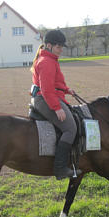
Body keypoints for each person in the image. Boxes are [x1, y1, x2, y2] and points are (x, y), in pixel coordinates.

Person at [30, 30, 80, 180]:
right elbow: (46, 89)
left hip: (50, 96)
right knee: (70, 129)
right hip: (45, 99)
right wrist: (56, 108)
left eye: (62, 47)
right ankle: (60, 168)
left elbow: (55, 83)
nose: (61, 50)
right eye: (59, 47)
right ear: (49, 45)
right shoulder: (46, 62)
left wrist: (66, 89)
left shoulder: (50, 59)